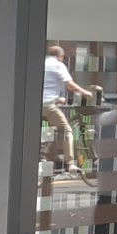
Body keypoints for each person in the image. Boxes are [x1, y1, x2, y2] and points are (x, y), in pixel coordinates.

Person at [42, 43, 93, 173]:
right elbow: (70, 85)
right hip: (48, 105)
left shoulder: (42, 63)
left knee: (53, 131)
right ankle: (70, 164)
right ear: (60, 56)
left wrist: (57, 98)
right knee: (66, 130)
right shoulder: (58, 65)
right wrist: (85, 93)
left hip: (39, 103)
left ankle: (48, 164)